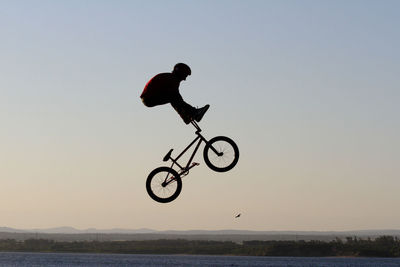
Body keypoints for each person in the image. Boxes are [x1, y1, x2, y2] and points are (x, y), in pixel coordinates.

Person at [140, 63, 209, 124]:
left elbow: (175, 102)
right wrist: (185, 116)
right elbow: (176, 99)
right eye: (185, 76)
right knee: (174, 97)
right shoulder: (172, 79)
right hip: (148, 98)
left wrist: (184, 117)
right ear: (180, 73)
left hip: (149, 97)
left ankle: (194, 113)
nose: (184, 79)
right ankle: (195, 112)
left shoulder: (171, 78)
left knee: (173, 97)